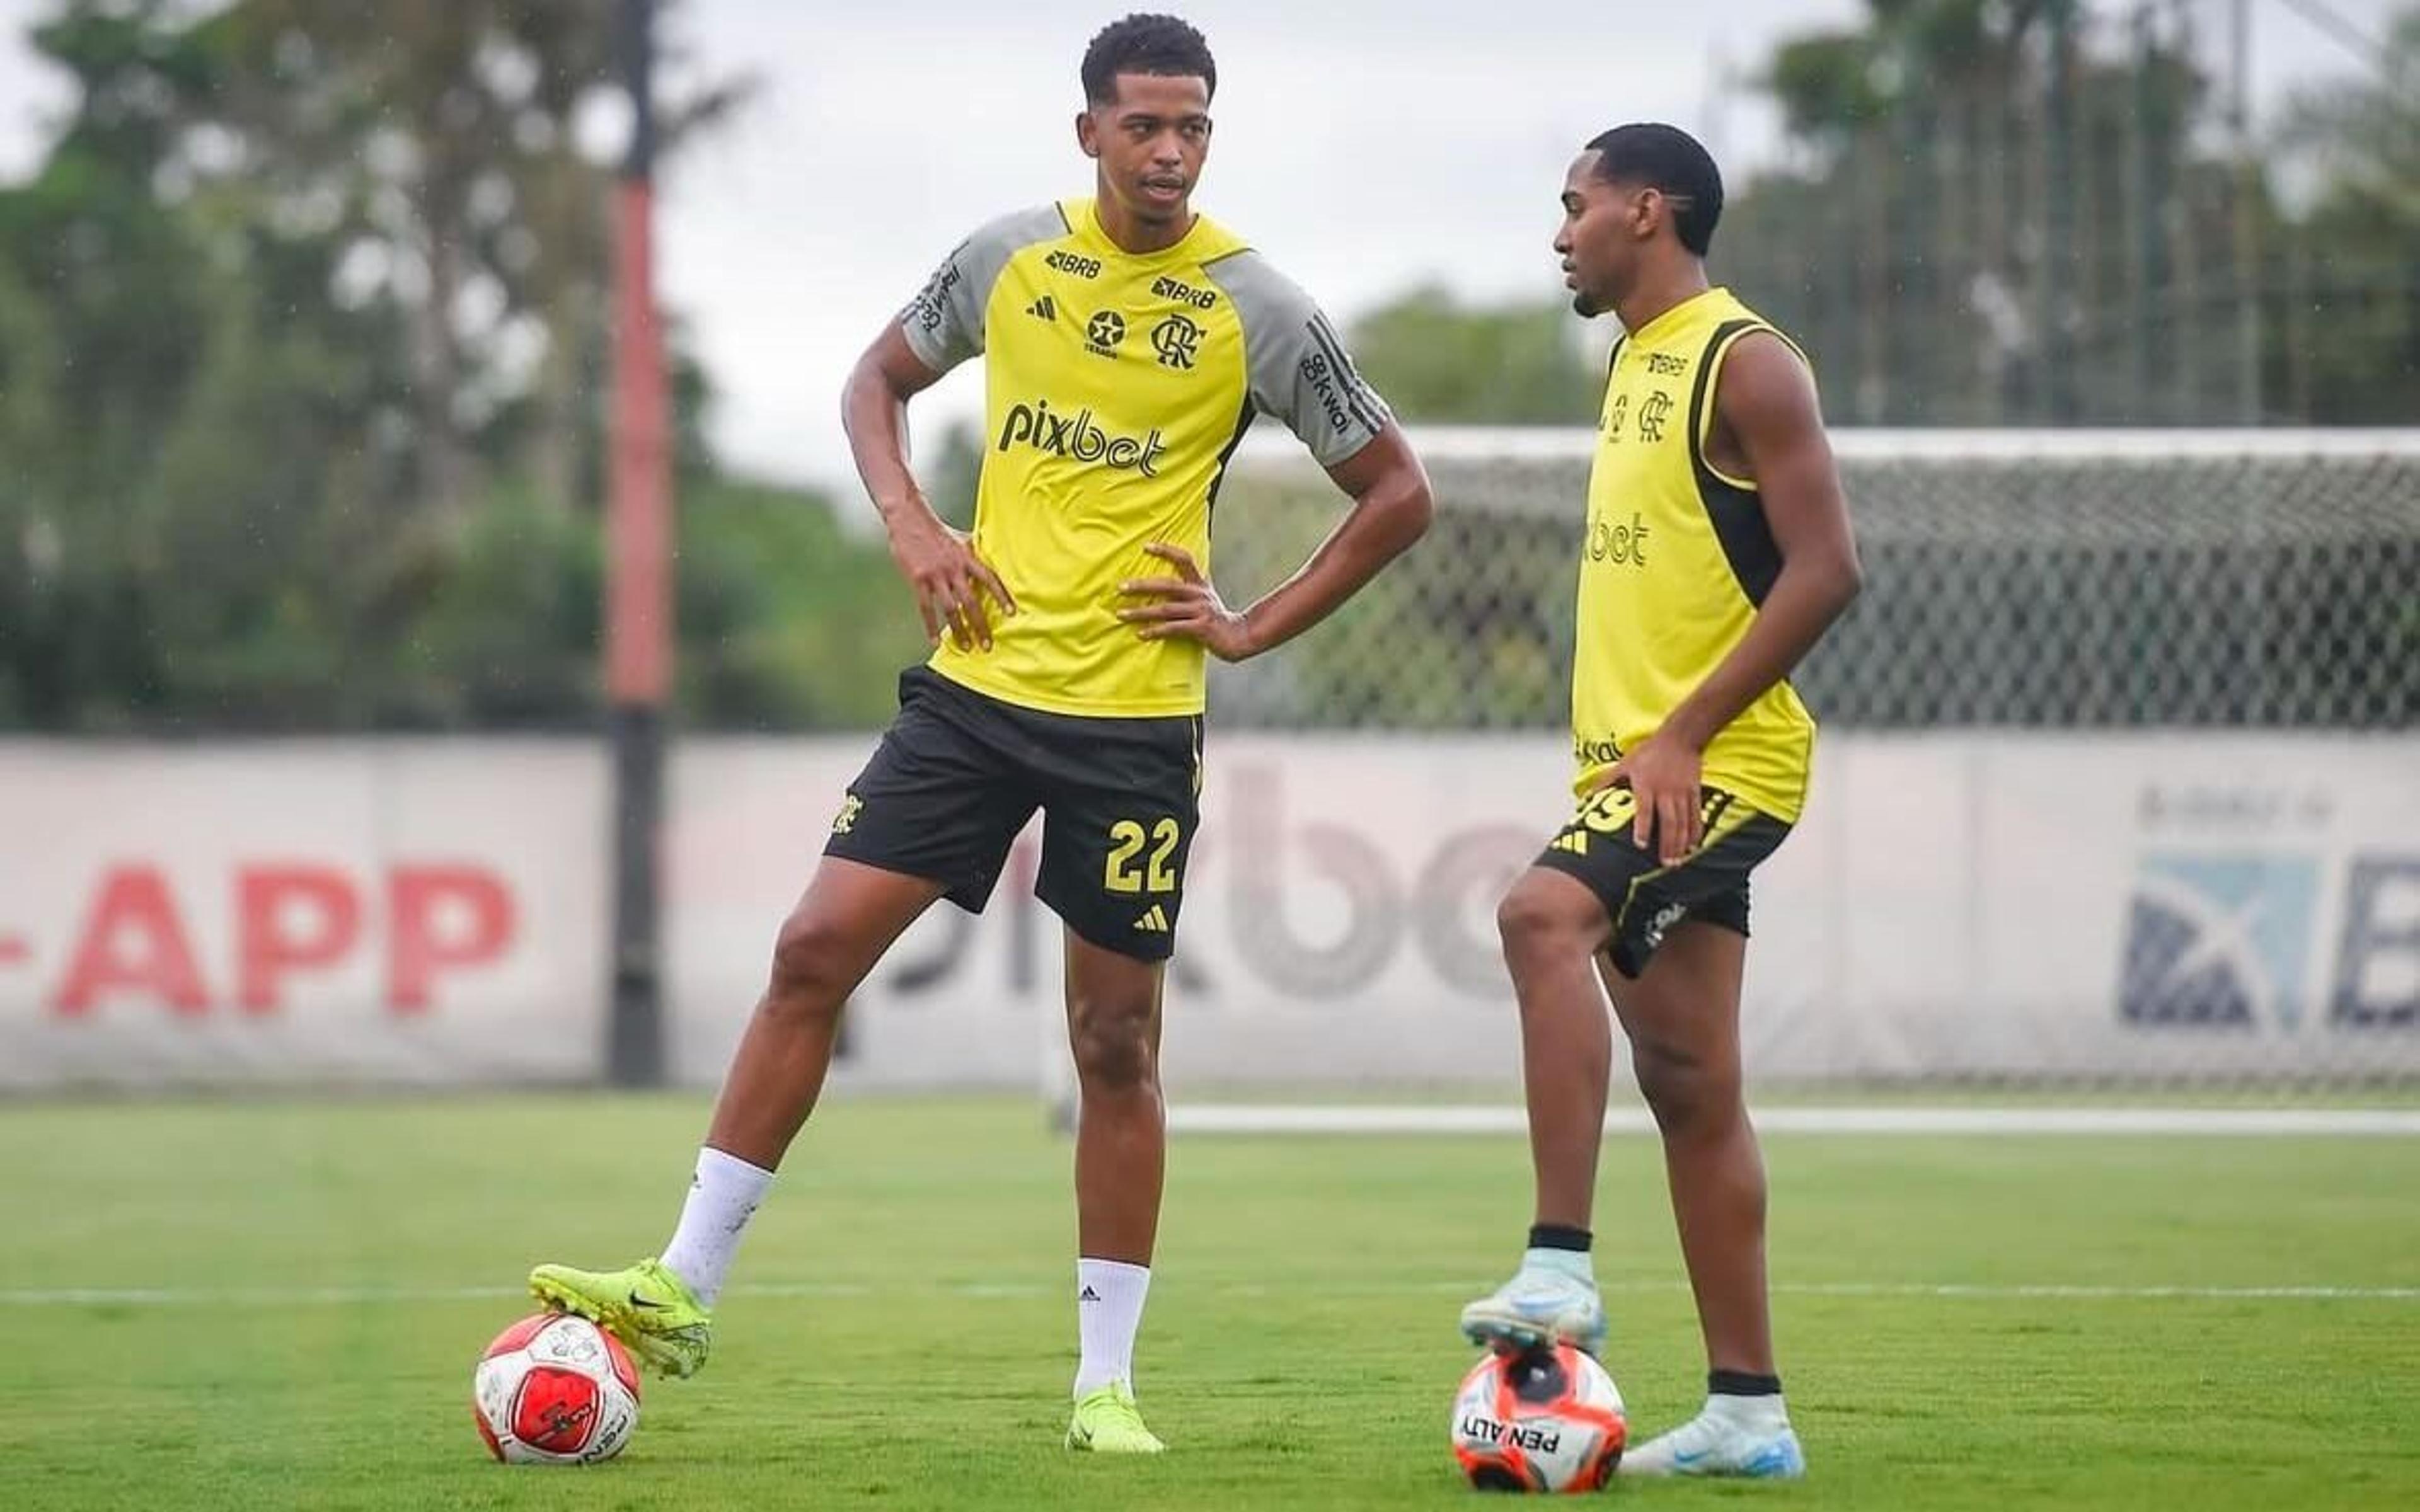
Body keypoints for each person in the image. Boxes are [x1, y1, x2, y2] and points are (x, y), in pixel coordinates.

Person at [527, 12, 1432, 1457]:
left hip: (1135, 726)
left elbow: (1398, 492)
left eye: (1193, 126)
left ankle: (1105, 1386)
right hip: (976, 694)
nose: (1170, 151)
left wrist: (1252, 623)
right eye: (1143, 124)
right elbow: (871, 385)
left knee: (1114, 1043)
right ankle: (686, 1285)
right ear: (1089, 134)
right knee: (811, 952)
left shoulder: (1258, 306)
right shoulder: (1010, 259)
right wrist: (914, 530)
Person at [1456, 122, 1862, 1480]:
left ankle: (1559, 1268)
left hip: (1723, 765)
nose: (1559, 230)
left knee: (1535, 918)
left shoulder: (1747, 360)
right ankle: (1751, 1416)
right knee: (1692, 1085)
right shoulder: (1634, 360)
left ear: (1649, 209)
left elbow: (1828, 570)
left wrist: (1684, 734)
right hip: (1642, 767)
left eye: (1574, 205)